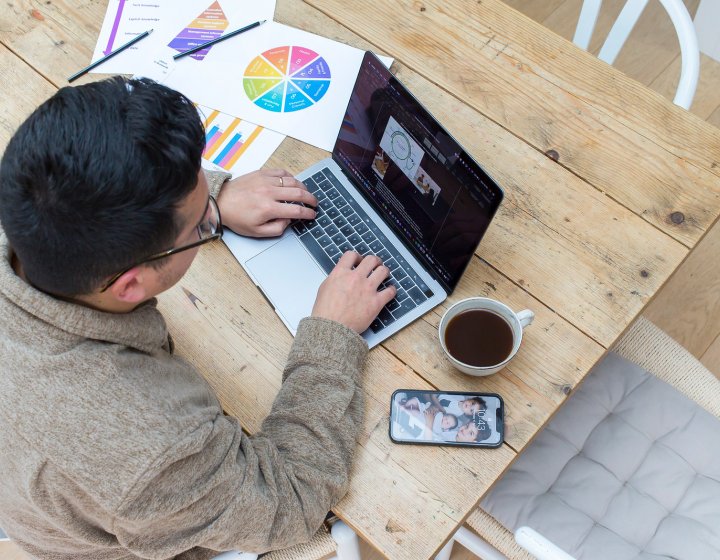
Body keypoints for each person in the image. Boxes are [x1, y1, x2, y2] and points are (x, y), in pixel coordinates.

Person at [0, 77, 397, 559]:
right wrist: (331, 338)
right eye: (200, 226)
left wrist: (211, 196)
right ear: (130, 286)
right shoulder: (152, 447)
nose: (210, 215)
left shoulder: (27, 206)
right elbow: (290, 502)